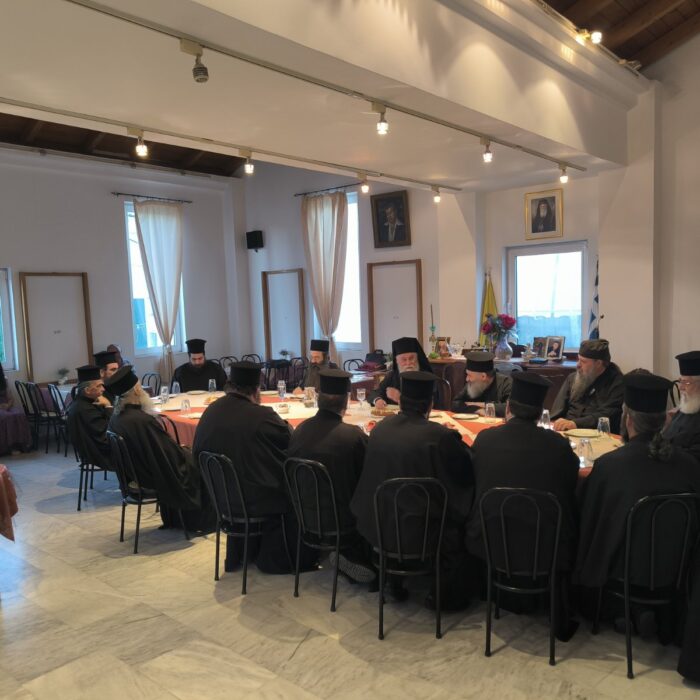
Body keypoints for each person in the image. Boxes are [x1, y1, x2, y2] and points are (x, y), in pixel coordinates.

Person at [465, 373, 580, 639]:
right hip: (546, 547)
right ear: (540, 413)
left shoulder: (485, 440)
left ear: (508, 408)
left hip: (490, 541)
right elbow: (570, 485)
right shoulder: (559, 447)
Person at [351, 371, 475, 609]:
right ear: (430, 404)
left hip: (378, 525)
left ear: (400, 401)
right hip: (423, 532)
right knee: (459, 511)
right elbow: (462, 475)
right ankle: (443, 594)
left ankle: (392, 578)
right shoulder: (439, 436)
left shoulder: (379, 429)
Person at [576, 372, 700, 590]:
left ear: (628, 420)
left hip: (621, 576)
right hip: (679, 575)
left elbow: (590, 525)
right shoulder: (689, 465)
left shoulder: (608, 466)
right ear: (665, 420)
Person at [192, 361, 316, 574]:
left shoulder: (211, 410)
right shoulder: (262, 417)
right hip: (253, 499)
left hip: (222, 499)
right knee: (303, 480)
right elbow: (291, 444)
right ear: (257, 390)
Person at [287, 369, 372, 583]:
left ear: (318, 399)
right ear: (347, 401)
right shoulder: (353, 437)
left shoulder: (299, 430)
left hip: (305, 516)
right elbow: (368, 479)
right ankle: (358, 557)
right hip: (343, 520)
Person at [106, 365, 215, 532]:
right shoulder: (141, 421)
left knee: (188, 455)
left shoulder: (117, 417)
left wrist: (178, 449)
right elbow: (165, 455)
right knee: (200, 462)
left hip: (135, 473)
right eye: (141, 387)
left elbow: (159, 450)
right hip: (150, 476)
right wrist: (184, 451)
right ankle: (200, 522)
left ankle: (176, 519)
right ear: (137, 390)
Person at [551, 339, 624, 433]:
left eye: (583, 361)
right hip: (565, 431)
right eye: (578, 359)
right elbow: (557, 410)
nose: (578, 365)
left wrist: (575, 424)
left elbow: (608, 415)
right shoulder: (572, 378)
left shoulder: (617, 383)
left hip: (596, 435)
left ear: (598, 363)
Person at [368, 336, 436, 408]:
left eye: (411, 358)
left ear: (417, 358)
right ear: (397, 361)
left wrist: (400, 398)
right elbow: (375, 393)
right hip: (394, 414)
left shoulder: (427, 377)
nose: (408, 363)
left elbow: (428, 404)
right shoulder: (392, 376)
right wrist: (377, 400)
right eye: (404, 360)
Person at [66, 365, 112, 469]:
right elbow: (108, 432)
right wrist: (108, 406)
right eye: (99, 386)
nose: (103, 389)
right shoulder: (86, 409)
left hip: (90, 452)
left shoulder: (80, 402)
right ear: (87, 390)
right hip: (99, 456)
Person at [664, 351, 700, 464]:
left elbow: (693, 459)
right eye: (680, 381)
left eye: (686, 383)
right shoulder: (686, 408)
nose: (680, 388)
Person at [451, 351, 512, 417]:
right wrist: (477, 410)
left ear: (483, 376)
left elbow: (510, 408)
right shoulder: (472, 385)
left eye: (469, 375)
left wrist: (481, 405)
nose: (467, 379)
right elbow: (455, 404)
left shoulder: (506, 383)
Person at [0, 362, 32, 454]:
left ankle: (21, 445)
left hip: (6, 405)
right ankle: (10, 448)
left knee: (19, 414)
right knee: (6, 417)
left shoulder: (4, 380)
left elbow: (10, 398)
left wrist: (8, 405)